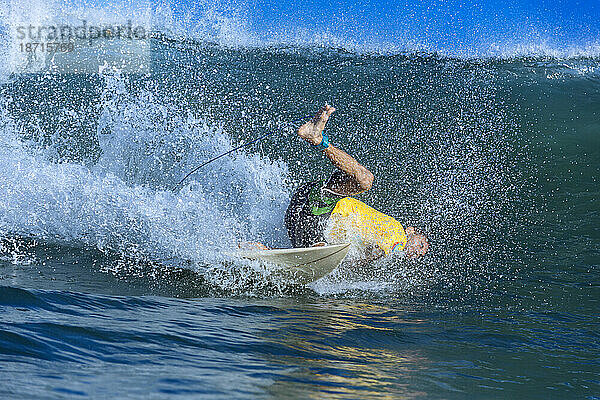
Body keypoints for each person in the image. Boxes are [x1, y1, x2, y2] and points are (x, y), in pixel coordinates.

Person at [284, 104, 429, 260]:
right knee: (365, 180)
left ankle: (258, 250)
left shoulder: (383, 252)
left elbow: (370, 254)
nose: (418, 252)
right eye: (420, 245)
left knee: (315, 257)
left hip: (306, 224)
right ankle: (318, 139)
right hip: (321, 203)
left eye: (421, 254)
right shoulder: (398, 235)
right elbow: (387, 249)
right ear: (410, 231)